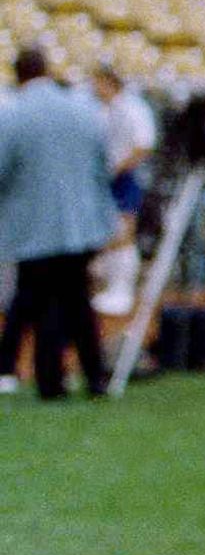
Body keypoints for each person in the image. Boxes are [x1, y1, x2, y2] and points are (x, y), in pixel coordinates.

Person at [0, 44, 119, 399]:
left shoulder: (14, 114)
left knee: (42, 303)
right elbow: (102, 163)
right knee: (78, 300)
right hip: (81, 222)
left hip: (34, 224)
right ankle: (95, 375)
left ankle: (50, 379)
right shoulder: (82, 108)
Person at [90, 62, 157, 316]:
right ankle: (111, 287)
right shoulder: (104, 109)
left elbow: (143, 146)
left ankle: (123, 289)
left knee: (124, 231)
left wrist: (117, 169)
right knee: (107, 232)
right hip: (107, 178)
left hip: (126, 177)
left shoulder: (133, 108)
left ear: (108, 82)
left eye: (97, 82)